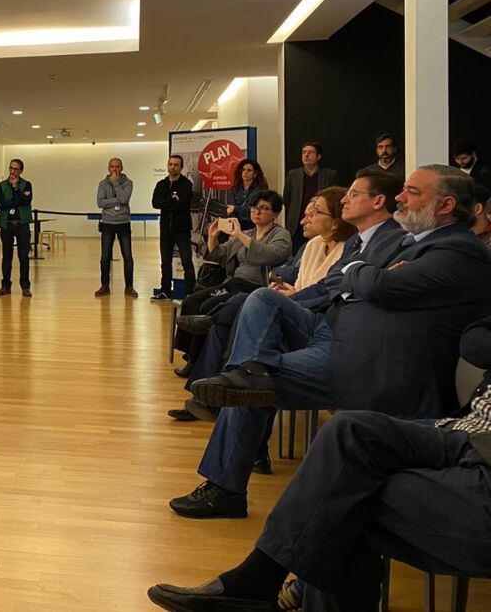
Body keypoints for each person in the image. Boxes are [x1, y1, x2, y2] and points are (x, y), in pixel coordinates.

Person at [170, 166, 491, 519]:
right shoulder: (410, 241)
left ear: (445, 205)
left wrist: (361, 273)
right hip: (338, 339)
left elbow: (374, 285)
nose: (401, 197)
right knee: (259, 315)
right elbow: (353, 283)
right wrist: (366, 277)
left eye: (412, 192)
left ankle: (226, 483)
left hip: (369, 363)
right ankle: (245, 375)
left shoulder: (456, 250)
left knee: (250, 381)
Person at [147, 318, 491, 612]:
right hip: (462, 431)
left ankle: (258, 580)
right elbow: (475, 339)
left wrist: (358, 280)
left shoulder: (452, 249)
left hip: (471, 446)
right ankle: (260, 579)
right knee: (347, 433)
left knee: (341, 495)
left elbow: (354, 286)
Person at [171, 191, 291, 377]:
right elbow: (220, 255)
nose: (256, 212)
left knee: (209, 306)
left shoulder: (281, 234)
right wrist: (213, 237)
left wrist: (240, 236)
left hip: (256, 288)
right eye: (254, 207)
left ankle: (196, 362)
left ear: (275, 214)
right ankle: (190, 354)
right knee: (191, 301)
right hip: (234, 283)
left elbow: (272, 254)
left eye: (263, 208)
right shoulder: (248, 233)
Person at [151, 155, 195, 301]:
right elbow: (155, 203)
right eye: (170, 164)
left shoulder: (186, 184)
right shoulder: (161, 184)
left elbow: (182, 204)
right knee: (165, 262)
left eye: (176, 165)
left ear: (181, 167)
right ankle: (165, 291)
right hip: (165, 230)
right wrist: (171, 201)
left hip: (182, 229)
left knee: (187, 261)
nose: (173, 167)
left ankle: (190, 293)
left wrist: (167, 203)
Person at [283, 141, 339, 251]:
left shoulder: (330, 175)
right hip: (298, 224)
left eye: (311, 152)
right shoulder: (293, 175)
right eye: (304, 152)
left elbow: (335, 201)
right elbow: (287, 199)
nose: (306, 155)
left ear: (318, 157)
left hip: (320, 223)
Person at [95, 158, 136, 297]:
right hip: (107, 223)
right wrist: (119, 199)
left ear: (122, 168)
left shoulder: (128, 183)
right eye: (112, 167)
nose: (115, 169)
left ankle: (129, 287)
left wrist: (115, 184)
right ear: (108, 168)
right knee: (105, 256)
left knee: (128, 256)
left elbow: (125, 199)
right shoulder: (102, 184)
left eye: (117, 166)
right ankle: (104, 285)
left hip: (123, 222)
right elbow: (100, 203)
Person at [0, 158, 32, 297]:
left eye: (16, 169)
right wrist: (17, 201)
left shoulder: (27, 185)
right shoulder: (2, 185)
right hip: (7, 225)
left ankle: (25, 286)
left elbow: (26, 201)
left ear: (21, 170)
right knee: (7, 257)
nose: (13, 171)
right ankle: (5, 286)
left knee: (23, 257)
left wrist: (16, 188)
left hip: (22, 224)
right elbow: (1, 204)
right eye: (11, 168)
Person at [226, 159, 267, 231]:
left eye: (249, 170)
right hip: (236, 223)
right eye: (243, 170)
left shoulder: (260, 189)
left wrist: (236, 209)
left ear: (255, 174)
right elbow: (230, 208)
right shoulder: (235, 188)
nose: (245, 173)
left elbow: (254, 209)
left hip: (254, 223)